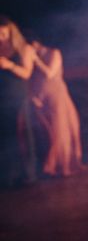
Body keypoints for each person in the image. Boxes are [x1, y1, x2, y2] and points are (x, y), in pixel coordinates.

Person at [30, 40, 83, 177]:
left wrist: (36, 60)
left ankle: (64, 165)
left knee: (61, 128)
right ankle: (53, 165)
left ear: (35, 43)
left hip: (56, 95)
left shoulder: (54, 53)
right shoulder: (31, 56)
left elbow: (49, 73)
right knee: (50, 131)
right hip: (42, 98)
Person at [0, 15, 36, 187]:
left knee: (21, 136)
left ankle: (28, 175)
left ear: (11, 31)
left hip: (17, 97)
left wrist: (10, 66)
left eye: (3, 33)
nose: (0, 37)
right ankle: (8, 176)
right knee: (5, 138)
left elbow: (27, 73)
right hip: (2, 98)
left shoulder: (23, 48)